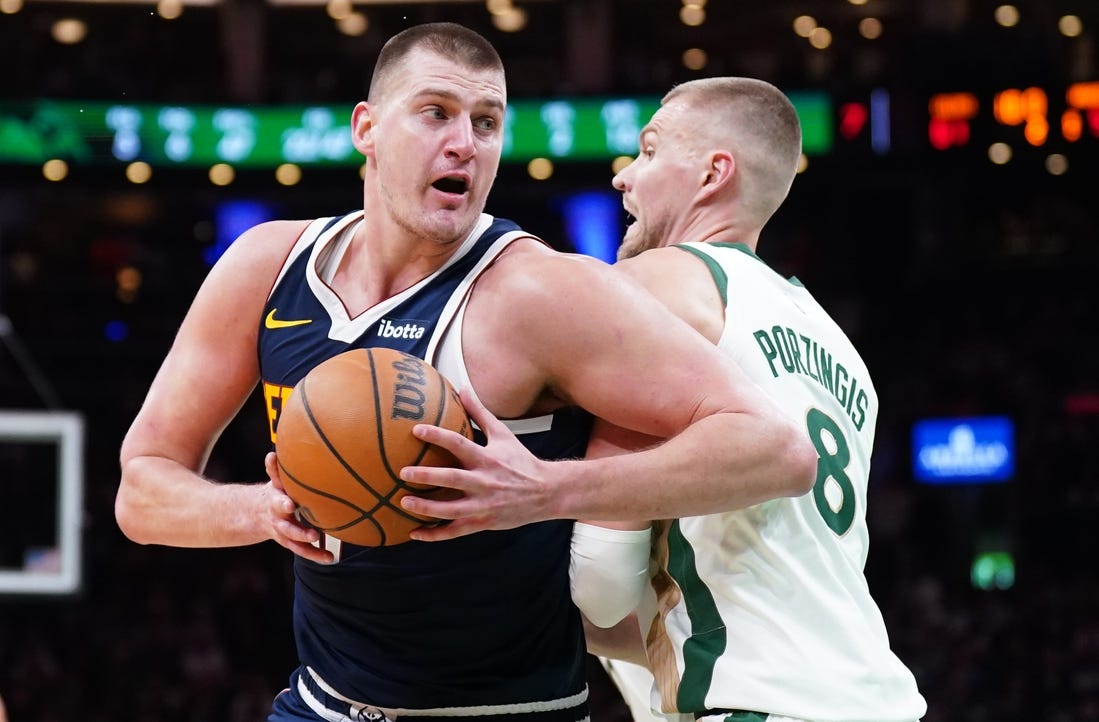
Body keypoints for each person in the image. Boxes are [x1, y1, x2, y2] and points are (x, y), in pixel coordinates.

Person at [115, 24, 816, 722]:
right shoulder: (265, 266)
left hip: (513, 710)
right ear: (366, 128)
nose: (464, 143)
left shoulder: (538, 293)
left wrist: (545, 489)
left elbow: (775, 450)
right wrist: (260, 510)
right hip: (322, 705)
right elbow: (142, 491)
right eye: (435, 113)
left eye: (486, 123)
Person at [571, 77, 928, 722]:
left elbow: (598, 584)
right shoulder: (841, 348)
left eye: (649, 152)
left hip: (758, 704)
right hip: (881, 697)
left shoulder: (663, 280)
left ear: (713, 174)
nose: (624, 177)